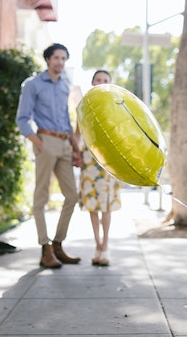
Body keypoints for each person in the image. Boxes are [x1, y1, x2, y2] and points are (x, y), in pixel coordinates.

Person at [16, 43, 82, 269]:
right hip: (46, 141)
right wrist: (39, 143)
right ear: (47, 60)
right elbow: (22, 119)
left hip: (65, 142)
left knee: (72, 195)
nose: (60, 62)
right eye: (56, 58)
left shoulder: (64, 86)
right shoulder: (32, 85)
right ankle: (45, 249)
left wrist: (75, 148)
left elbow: (65, 118)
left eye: (64, 58)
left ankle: (58, 245)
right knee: (41, 197)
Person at [78, 69, 122, 266]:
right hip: (89, 160)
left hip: (109, 160)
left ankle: (105, 246)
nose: (101, 82)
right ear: (92, 82)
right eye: (98, 79)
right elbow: (77, 131)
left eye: (105, 80)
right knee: (92, 205)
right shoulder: (84, 105)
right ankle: (97, 244)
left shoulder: (116, 105)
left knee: (106, 205)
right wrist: (75, 152)